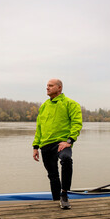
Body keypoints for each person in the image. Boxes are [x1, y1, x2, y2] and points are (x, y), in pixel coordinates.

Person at [32, 78, 83, 209]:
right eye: (46, 86)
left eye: (50, 85)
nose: (47, 88)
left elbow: (76, 124)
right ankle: (56, 200)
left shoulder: (70, 104)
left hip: (62, 143)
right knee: (53, 175)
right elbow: (39, 128)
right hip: (45, 145)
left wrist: (69, 141)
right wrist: (35, 146)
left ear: (59, 88)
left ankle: (64, 194)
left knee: (66, 159)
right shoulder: (44, 106)